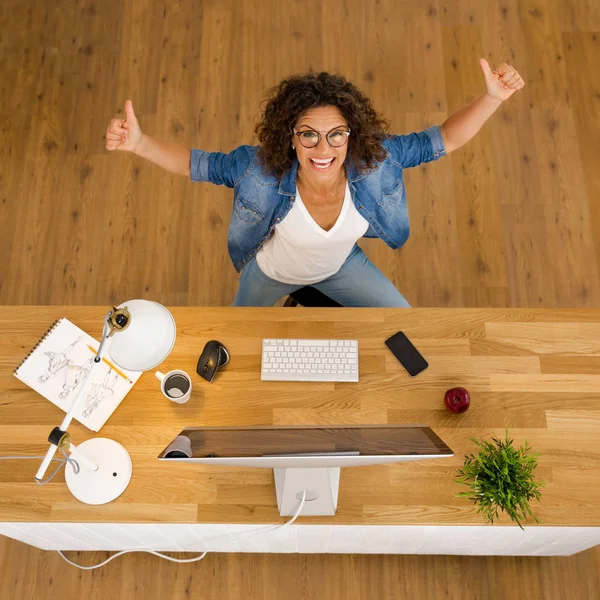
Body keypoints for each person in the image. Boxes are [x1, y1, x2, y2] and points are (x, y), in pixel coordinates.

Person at [105, 59, 524, 307]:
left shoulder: (380, 160)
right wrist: (140, 144)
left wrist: (491, 98)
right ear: (290, 136)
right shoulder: (256, 170)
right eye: (309, 134)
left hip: (341, 267)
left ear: (351, 135)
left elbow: (445, 138)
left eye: (336, 134)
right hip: (269, 272)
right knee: (229, 338)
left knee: (405, 321)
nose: (323, 148)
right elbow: (199, 164)